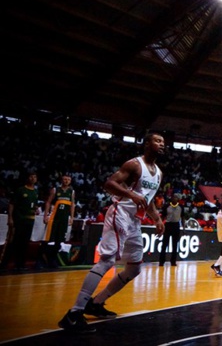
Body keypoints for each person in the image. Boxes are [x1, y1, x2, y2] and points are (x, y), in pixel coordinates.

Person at [58, 133, 166, 334]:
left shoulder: (158, 173)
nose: (162, 144)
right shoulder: (134, 165)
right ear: (147, 144)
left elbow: (148, 200)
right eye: (157, 141)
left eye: (163, 142)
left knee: (134, 268)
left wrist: (157, 219)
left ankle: (96, 303)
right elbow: (109, 184)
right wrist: (131, 194)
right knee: (107, 260)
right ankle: (74, 313)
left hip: (135, 221)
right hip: (120, 214)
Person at [0, 171, 39, 272]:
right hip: (19, 219)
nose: (33, 178)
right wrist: (10, 218)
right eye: (31, 177)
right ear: (27, 178)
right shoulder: (21, 190)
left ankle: (20, 264)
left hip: (29, 221)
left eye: (34, 177)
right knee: (13, 242)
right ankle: (4, 264)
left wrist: (36, 209)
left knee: (24, 243)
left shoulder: (35, 192)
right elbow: (12, 204)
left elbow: (33, 204)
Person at [41, 173, 75, 267]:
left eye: (68, 179)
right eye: (65, 179)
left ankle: (52, 259)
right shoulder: (55, 189)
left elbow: (72, 205)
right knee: (49, 239)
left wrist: (72, 217)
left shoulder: (72, 191)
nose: (66, 181)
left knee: (59, 240)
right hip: (54, 218)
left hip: (64, 219)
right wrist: (45, 215)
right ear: (61, 180)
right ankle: (43, 259)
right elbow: (48, 202)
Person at [158, 195, 183, 267]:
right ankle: (161, 261)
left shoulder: (181, 207)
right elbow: (163, 216)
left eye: (176, 197)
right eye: (173, 197)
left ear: (178, 199)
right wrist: (160, 225)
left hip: (176, 225)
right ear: (171, 198)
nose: (175, 198)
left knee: (175, 245)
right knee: (164, 244)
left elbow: (183, 217)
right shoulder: (167, 206)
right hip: (168, 225)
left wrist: (183, 228)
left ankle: (173, 261)